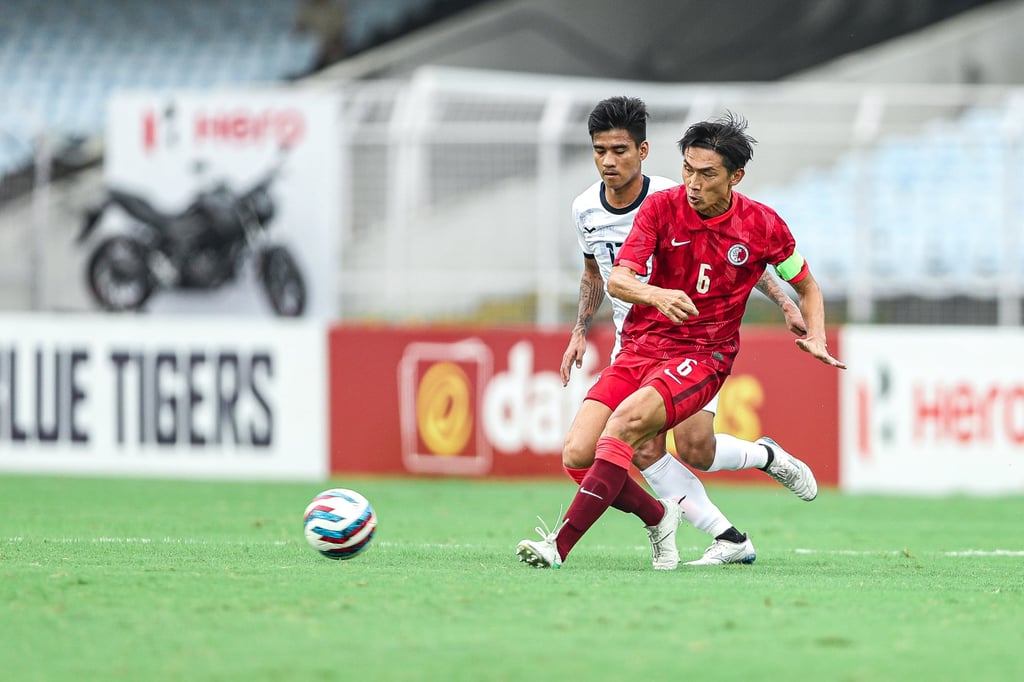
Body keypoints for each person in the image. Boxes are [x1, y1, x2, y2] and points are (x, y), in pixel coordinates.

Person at [518, 109, 846, 570]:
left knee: (645, 432)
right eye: (688, 170)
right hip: (640, 345)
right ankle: (674, 520)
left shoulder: (763, 224)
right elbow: (615, 278)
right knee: (583, 453)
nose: (692, 183)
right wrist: (654, 296)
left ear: (736, 176)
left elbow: (804, 282)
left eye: (706, 174)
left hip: (703, 353)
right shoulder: (653, 207)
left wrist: (813, 330)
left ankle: (559, 546)